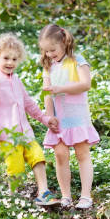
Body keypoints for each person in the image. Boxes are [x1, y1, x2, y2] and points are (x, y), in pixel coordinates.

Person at [0, 33, 59, 206]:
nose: (10, 63)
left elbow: (29, 104)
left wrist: (45, 119)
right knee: (15, 168)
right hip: (6, 134)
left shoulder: (16, 80)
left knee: (38, 156)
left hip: (25, 132)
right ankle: (13, 201)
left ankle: (43, 192)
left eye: (14, 59)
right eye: (6, 58)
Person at [38, 24, 100, 209]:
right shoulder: (48, 66)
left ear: (64, 42)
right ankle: (66, 196)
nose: (49, 54)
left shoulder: (78, 61)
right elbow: (47, 93)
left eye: (52, 49)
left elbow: (85, 84)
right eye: (46, 51)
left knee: (82, 153)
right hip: (59, 119)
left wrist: (61, 89)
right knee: (60, 154)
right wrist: (49, 118)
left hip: (77, 117)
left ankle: (86, 196)